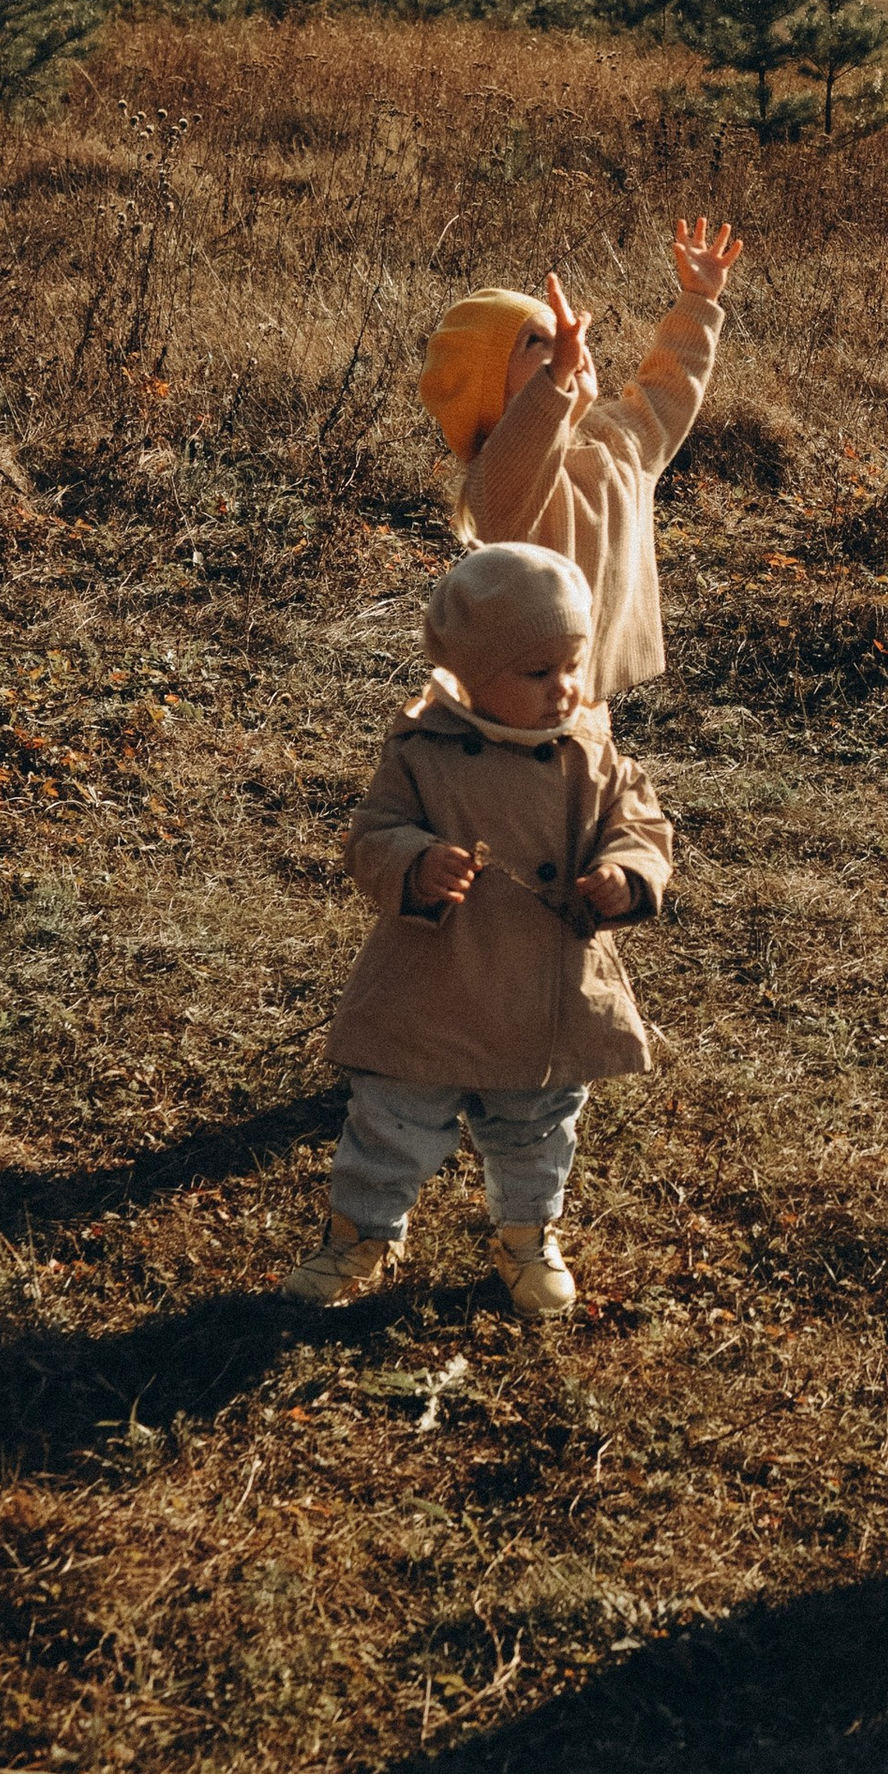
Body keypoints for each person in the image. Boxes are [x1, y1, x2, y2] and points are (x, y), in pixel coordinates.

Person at [280, 543, 675, 1321]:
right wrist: (414, 862)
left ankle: (526, 1233)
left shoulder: (589, 749)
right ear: (470, 673)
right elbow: (370, 837)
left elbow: (642, 823)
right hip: (435, 982)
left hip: (547, 989)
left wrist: (625, 875)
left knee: (536, 1127)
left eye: (574, 663)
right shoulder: (423, 749)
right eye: (537, 673)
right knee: (391, 1119)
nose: (565, 688)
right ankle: (361, 1234)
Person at [417, 217, 744, 708]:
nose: (568, 345)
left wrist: (699, 300)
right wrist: (559, 380)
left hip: (586, 697)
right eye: (538, 343)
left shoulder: (615, 442)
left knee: (588, 780)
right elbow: (523, 447)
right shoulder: (501, 478)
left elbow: (667, 388)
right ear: (492, 400)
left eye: (565, 336)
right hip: (512, 711)